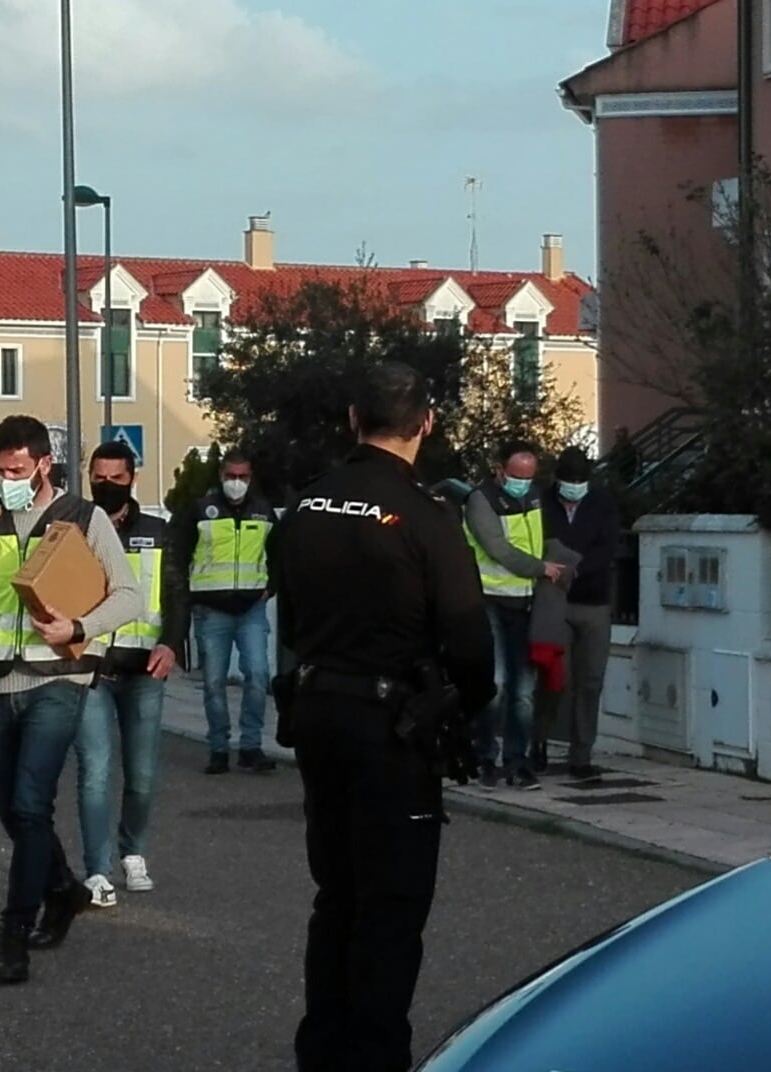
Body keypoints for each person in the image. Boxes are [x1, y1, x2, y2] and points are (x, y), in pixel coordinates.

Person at [271, 361, 495, 1072]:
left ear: (351, 419)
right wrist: (465, 701)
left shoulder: (306, 506)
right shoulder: (427, 517)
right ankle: (373, 1059)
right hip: (391, 729)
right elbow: (468, 637)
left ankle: (323, 1052)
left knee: (336, 895)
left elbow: (294, 617)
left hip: (318, 714)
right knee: (391, 908)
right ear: (425, 423)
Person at [0, 416, 142, 984]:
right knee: (12, 812)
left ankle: (13, 932)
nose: (8, 479)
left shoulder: (83, 518)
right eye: (0, 470)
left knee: (28, 804)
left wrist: (78, 628)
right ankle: (63, 888)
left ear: (45, 463)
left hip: (58, 682)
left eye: (17, 469)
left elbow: (129, 596)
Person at [72, 440, 189, 907]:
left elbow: (179, 596)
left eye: (115, 479)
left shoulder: (159, 532)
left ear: (132, 479)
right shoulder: (73, 531)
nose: (106, 486)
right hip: (93, 670)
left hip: (144, 670)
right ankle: (97, 871)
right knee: (94, 771)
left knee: (141, 775)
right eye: (98, 478)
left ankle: (133, 852)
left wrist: (171, 643)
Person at [461, 441, 565, 789]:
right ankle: (485, 758)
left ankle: (517, 763)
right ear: (499, 469)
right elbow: (498, 549)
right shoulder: (480, 500)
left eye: (529, 476)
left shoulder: (534, 497)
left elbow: (543, 538)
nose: (523, 481)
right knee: (497, 684)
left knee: (523, 689)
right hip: (489, 599)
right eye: (517, 475)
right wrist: (540, 568)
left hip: (524, 602)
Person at [170, 449, 277, 774]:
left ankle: (251, 746)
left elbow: (279, 554)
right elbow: (180, 551)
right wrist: (185, 596)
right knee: (214, 682)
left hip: (251, 608)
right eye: (231, 476)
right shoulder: (202, 510)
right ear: (221, 476)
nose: (237, 483)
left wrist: (272, 586)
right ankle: (218, 748)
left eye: (243, 477)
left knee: (258, 675)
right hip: (210, 609)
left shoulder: (264, 512)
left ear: (251, 477)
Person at [532, 447, 623, 778]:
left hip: (593, 601)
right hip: (555, 601)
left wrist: (575, 571)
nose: (574, 486)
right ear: (557, 479)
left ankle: (581, 755)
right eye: (569, 480)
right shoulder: (542, 502)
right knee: (554, 678)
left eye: (580, 480)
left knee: (590, 680)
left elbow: (608, 547)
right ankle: (538, 742)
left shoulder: (602, 503)